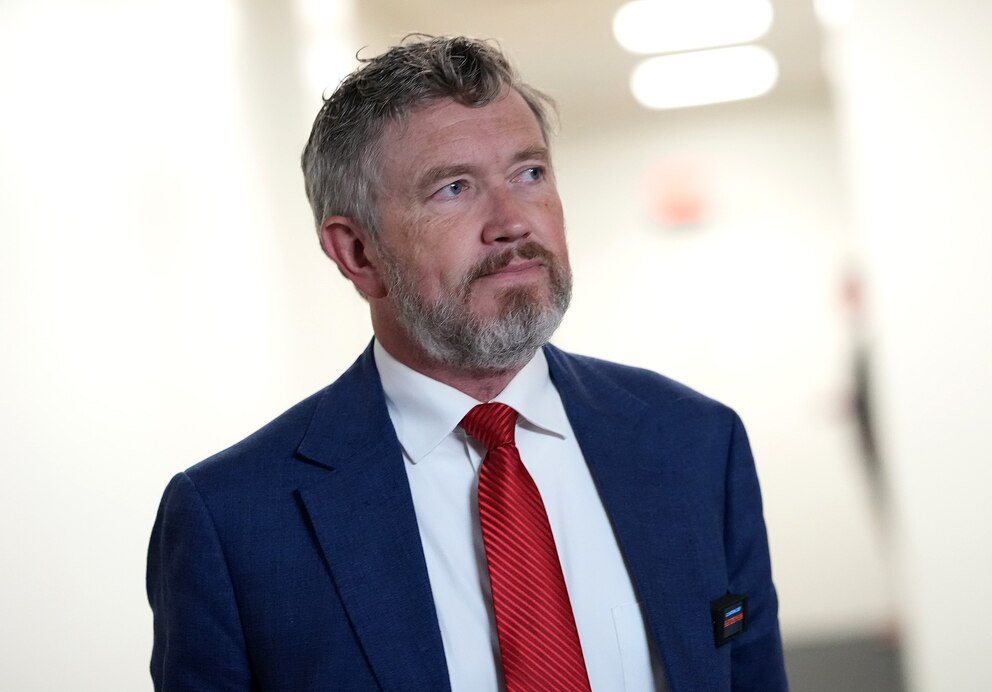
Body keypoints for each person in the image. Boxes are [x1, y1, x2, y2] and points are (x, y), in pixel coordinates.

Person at [147, 35, 787, 691]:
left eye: (529, 174)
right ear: (357, 253)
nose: (512, 222)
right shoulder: (234, 521)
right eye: (453, 189)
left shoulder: (696, 442)